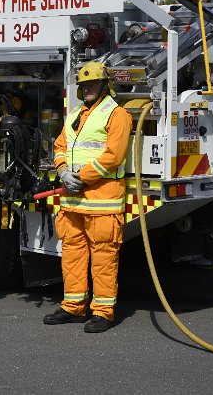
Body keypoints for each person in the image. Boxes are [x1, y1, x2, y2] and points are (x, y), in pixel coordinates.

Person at [43, 61, 132, 333]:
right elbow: (60, 146)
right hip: (72, 201)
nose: (87, 88)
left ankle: (103, 312)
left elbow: (113, 157)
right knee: (72, 254)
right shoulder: (74, 115)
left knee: (104, 256)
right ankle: (73, 306)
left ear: (105, 85)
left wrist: (82, 176)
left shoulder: (117, 114)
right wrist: (61, 171)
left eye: (92, 83)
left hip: (102, 201)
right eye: (83, 85)